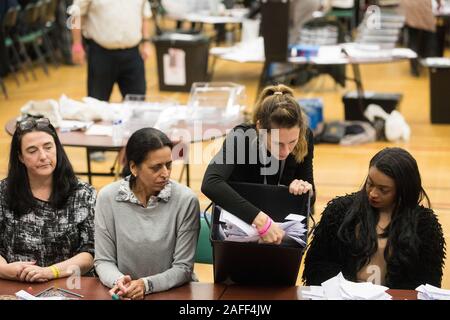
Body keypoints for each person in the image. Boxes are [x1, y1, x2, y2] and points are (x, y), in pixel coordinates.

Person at [302, 147, 446, 289]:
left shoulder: (425, 225)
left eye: (383, 190)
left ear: (403, 190)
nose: (373, 193)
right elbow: (316, 266)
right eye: (370, 183)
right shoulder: (339, 211)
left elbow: (429, 282)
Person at [201, 84, 315, 245]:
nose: (285, 151)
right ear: (260, 127)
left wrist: (305, 189)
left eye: (292, 142)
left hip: (280, 230)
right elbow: (210, 183)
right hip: (239, 229)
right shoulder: (242, 136)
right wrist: (261, 221)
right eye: (277, 143)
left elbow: (311, 198)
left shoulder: (306, 135)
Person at [94, 127, 200, 300]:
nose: (165, 173)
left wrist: (146, 285)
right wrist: (120, 282)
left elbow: (183, 268)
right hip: (124, 294)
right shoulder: (107, 198)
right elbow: (103, 261)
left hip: (174, 294)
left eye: (169, 165)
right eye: (156, 167)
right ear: (134, 167)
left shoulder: (186, 200)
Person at [0, 117, 96, 282]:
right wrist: (4, 269)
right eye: (32, 151)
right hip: (14, 285)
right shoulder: (3, 192)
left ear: (57, 149)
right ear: (20, 157)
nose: (43, 156)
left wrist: (50, 272)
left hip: (69, 284)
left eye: (48, 147)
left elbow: (91, 254)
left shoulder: (83, 194)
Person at [69, 0, 152, 101]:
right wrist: (77, 44)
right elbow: (76, 15)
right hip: (101, 54)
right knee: (97, 105)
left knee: (137, 103)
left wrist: (146, 42)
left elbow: (145, 15)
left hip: (133, 54)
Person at [399, 0, 442, 76]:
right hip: (423, 6)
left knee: (413, 37)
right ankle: (432, 67)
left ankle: (414, 68)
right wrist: (439, 3)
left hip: (408, 6)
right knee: (429, 36)